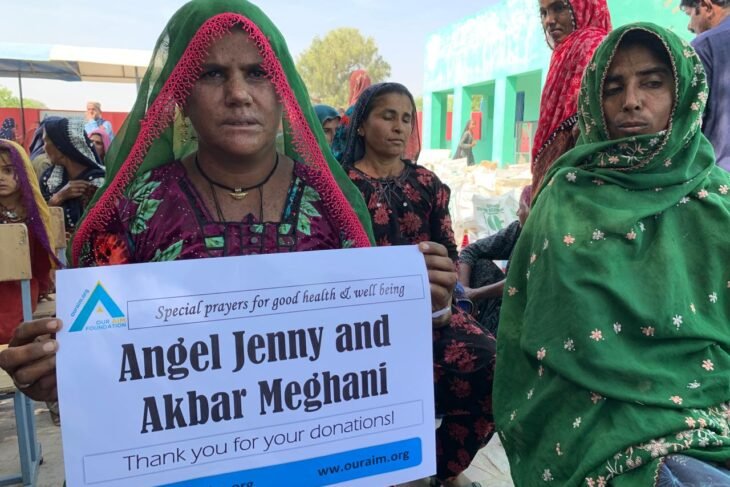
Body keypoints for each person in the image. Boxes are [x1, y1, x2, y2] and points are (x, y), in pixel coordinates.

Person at [0, 2, 460, 480]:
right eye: (213, 74)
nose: (239, 94)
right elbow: (105, 363)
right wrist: (57, 369)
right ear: (179, 92)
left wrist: (423, 304)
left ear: (283, 91)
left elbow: (366, 350)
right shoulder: (133, 209)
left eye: (258, 73)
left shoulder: (332, 204)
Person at [493, 23, 730, 486]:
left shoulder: (716, 201)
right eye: (614, 87)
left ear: (685, 93)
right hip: (587, 410)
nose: (632, 101)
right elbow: (542, 333)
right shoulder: (566, 196)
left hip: (708, 403)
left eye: (653, 82)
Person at [342, 82, 495, 486]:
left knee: (497, 366)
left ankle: (433, 469)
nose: (398, 127)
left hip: (430, 316)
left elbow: (447, 252)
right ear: (360, 125)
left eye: (406, 118)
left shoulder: (428, 184)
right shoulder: (339, 187)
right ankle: (380, 468)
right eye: (386, 115)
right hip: (358, 326)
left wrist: (442, 304)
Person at [531, 0, 611, 192]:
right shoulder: (564, 52)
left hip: (578, 182)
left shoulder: (591, 45)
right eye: (543, 13)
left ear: (585, 7)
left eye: (559, 8)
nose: (549, 20)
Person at [0, 140, 57, 344]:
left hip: (20, 286)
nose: (1, 177)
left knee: (9, 327)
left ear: (24, 172)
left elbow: (41, 262)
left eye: (8, 170)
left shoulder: (34, 216)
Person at [458, 186, 530, 335]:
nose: (517, 213)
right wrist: (464, 291)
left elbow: (519, 282)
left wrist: (475, 293)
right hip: (503, 303)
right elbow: (471, 250)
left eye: (521, 207)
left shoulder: (546, 242)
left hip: (526, 313)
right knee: (480, 264)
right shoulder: (517, 231)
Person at [680, 0, 730, 171]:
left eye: (690, 14)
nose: (689, 26)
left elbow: (688, 119)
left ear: (706, 6)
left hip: (722, 174)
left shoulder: (704, 46)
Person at [40, 117, 105, 235]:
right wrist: (57, 199)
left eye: (45, 142)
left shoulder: (100, 182)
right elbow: (38, 222)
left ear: (60, 146)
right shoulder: (49, 179)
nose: (43, 148)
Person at [331, 69, 373, 161]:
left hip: (353, 164)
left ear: (354, 85)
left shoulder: (353, 110)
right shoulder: (376, 108)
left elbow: (340, 141)